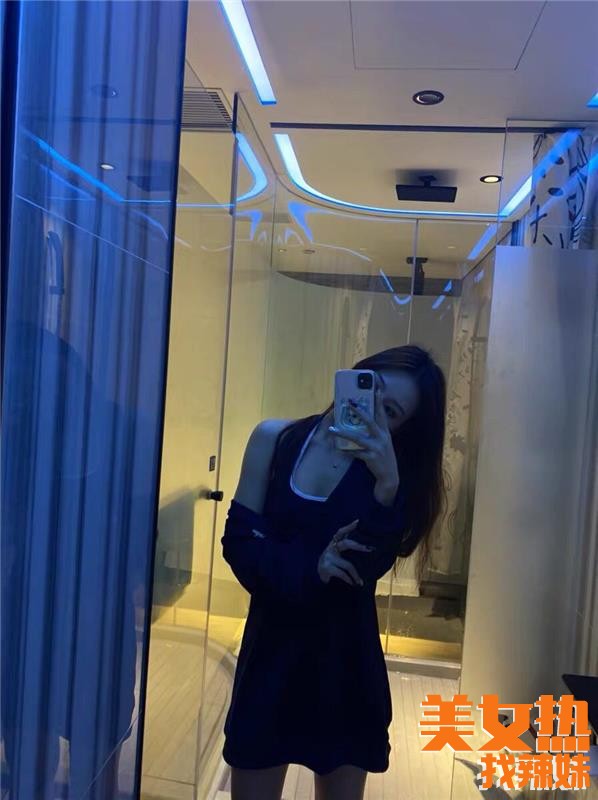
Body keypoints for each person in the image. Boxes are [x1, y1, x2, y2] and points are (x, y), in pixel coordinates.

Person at [220, 345, 446, 800]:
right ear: (356, 375)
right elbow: (240, 545)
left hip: (344, 667)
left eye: (390, 412)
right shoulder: (275, 439)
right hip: (270, 658)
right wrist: (313, 567)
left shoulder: (392, 478)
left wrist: (386, 486)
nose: (371, 409)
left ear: (402, 429)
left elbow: (362, 569)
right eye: (371, 386)